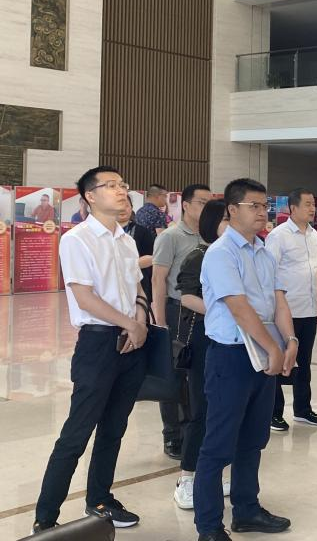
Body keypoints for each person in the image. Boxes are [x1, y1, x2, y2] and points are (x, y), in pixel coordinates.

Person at [32, 167, 149, 533]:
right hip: (98, 344)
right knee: (76, 434)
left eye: (123, 184)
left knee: (114, 429)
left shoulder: (126, 240)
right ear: (90, 196)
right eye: (110, 185)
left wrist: (140, 319)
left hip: (131, 343)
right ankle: (45, 519)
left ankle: (100, 499)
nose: (121, 190)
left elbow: (137, 289)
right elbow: (84, 297)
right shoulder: (77, 239)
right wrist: (129, 323)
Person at [193, 178, 297, 541]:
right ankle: (209, 527)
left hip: (265, 355)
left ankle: (247, 510)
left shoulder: (264, 252)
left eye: (265, 206)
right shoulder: (221, 253)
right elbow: (239, 307)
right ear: (232, 209)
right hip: (232, 358)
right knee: (218, 445)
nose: (262, 212)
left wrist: (291, 340)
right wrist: (274, 348)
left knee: (253, 440)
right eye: (254, 206)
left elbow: (279, 302)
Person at [172, 200, 229, 510]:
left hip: (229, 341)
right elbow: (188, 298)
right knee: (201, 411)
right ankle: (187, 478)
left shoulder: (234, 255)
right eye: (225, 219)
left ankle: (213, 474)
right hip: (203, 341)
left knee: (223, 412)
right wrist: (227, 312)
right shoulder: (199, 255)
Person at [152, 183, 211, 461]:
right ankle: (173, 435)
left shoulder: (211, 237)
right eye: (201, 202)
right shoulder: (171, 237)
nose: (207, 208)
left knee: (198, 376)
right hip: (178, 311)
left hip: (205, 314)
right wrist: (160, 321)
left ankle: (195, 431)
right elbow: (158, 280)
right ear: (186, 205)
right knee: (175, 376)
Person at [265, 188, 317, 431]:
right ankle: (274, 412)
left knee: (304, 362)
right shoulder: (278, 236)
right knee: (280, 361)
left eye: (313, 204)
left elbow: (316, 271)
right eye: (308, 204)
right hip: (286, 310)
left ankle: (302, 409)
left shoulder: (314, 235)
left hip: (308, 308)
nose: (312, 208)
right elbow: (269, 273)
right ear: (293, 208)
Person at [119, 204, 155, 302]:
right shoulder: (105, 232)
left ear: (131, 208)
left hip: (139, 282)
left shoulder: (143, 231)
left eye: (126, 205)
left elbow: (151, 258)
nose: (123, 208)